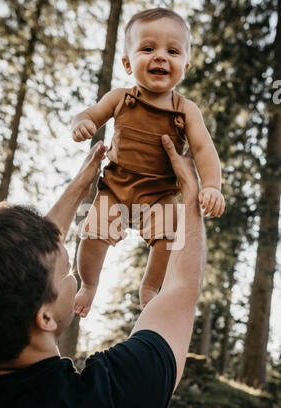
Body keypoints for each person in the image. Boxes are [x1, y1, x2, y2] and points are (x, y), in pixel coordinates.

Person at [0, 136, 206, 408]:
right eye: (68, 271)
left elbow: (12, 269)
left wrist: (80, 186)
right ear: (44, 317)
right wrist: (192, 191)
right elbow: (180, 290)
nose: (73, 271)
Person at [72, 8, 225, 317]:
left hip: (159, 194)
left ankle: (150, 287)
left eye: (172, 51)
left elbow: (204, 149)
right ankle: (88, 284)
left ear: (185, 65)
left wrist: (212, 186)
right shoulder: (119, 98)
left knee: (170, 236)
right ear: (128, 64)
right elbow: (90, 113)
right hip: (115, 187)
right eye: (148, 48)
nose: (160, 57)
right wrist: (82, 123)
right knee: (92, 236)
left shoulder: (186, 111)